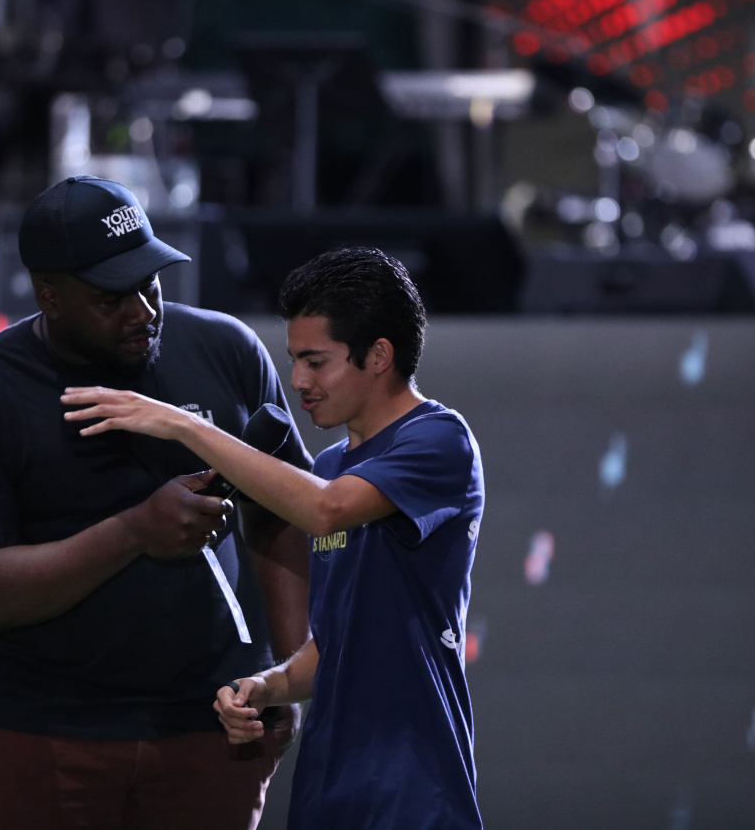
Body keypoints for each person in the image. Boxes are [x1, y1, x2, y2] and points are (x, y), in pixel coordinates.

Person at [0, 175, 312, 830]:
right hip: (45, 730)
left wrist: (289, 675)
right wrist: (134, 532)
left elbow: (284, 512)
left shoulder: (226, 349)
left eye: (149, 283)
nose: (143, 311)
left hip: (213, 725)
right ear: (49, 294)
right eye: (111, 297)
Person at [62, 246, 485, 829]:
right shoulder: (331, 465)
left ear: (379, 355)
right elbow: (335, 643)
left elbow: (326, 511)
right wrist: (268, 686)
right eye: (294, 361)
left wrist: (184, 425)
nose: (298, 382)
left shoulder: (439, 440)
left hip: (415, 786)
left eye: (316, 362)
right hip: (326, 786)